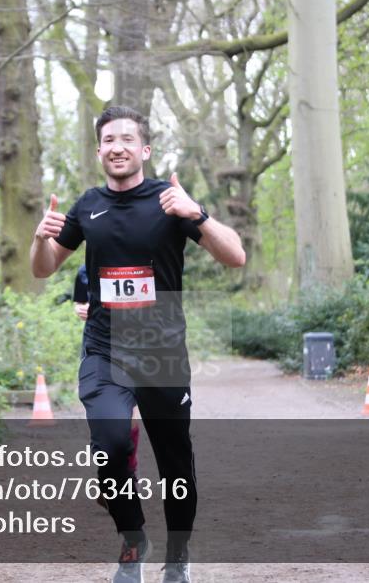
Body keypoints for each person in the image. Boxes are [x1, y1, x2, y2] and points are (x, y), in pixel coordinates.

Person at [32, 106, 245, 583]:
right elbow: (43, 268)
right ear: (99, 150)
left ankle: (178, 554)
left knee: (174, 462)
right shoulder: (87, 207)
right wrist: (38, 239)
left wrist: (200, 215)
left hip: (162, 351)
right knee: (108, 445)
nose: (118, 147)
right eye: (109, 140)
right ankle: (133, 540)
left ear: (144, 150)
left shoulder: (171, 201)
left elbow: (236, 256)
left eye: (128, 139)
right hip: (105, 349)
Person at [74, 263, 141, 502]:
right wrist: (81, 309)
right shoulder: (85, 271)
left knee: (130, 415)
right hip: (100, 347)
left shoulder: (148, 261)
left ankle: (127, 472)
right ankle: (110, 475)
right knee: (107, 416)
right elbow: (80, 305)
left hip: (138, 345)